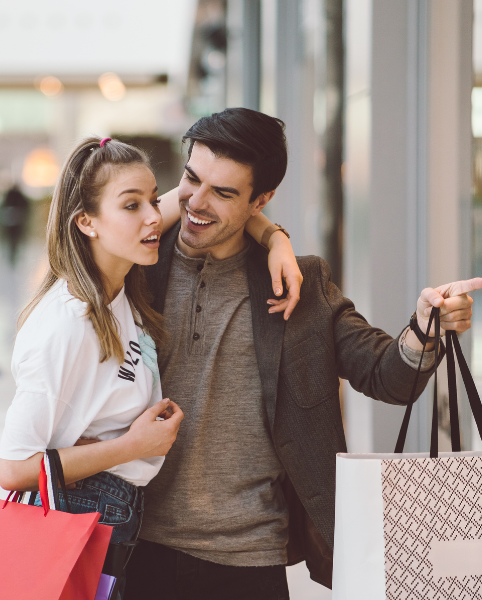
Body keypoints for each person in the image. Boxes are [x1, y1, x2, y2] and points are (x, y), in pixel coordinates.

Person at [123, 108, 482, 600]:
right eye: (191, 178)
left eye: (224, 193)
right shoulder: (135, 265)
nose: (197, 203)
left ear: (261, 200)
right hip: (136, 545)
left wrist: (425, 327)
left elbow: (386, 376)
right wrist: (271, 233)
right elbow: (75, 247)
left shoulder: (300, 284)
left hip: (249, 560)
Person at [0, 137, 303, 596]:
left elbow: (207, 205)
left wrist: (275, 238)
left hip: (118, 517)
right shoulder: (66, 324)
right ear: (87, 222)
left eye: (151, 199)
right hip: (84, 515)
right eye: (132, 206)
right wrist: (132, 445)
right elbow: (13, 469)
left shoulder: (117, 288)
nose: (154, 217)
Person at [0, 184, 30, 267]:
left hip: (11, 224)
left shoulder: (9, 197)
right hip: (15, 224)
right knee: (14, 240)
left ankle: (11, 254)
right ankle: (12, 254)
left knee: (11, 240)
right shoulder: (19, 197)